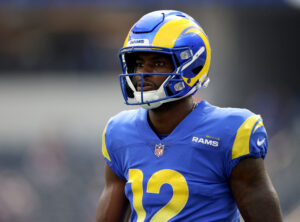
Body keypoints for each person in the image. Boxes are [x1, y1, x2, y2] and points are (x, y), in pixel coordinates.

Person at [96, 10, 283, 222]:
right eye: (138, 63)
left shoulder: (231, 131)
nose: (142, 73)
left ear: (192, 65)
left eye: (157, 63)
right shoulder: (119, 131)